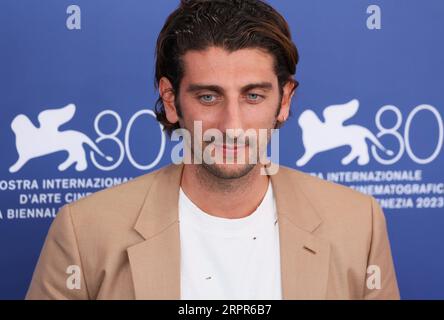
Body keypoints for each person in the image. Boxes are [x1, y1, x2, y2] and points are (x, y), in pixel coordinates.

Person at [26, 0, 400, 299]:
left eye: (253, 96)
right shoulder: (85, 232)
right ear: (171, 101)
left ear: (284, 101)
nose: (231, 125)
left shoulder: (358, 224)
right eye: (208, 96)